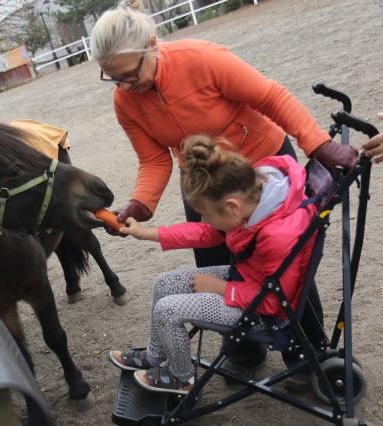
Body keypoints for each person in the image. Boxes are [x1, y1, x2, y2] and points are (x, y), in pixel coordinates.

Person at [90, 1, 353, 367]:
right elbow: (153, 159)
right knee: (213, 257)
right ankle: (244, 347)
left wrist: (319, 144)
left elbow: (271, 97)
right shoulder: (125, 101)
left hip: (257, 166)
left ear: (151, 45)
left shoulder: (202, 59)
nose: (124, 86)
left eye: (129, 75)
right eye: (113, 78)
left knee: (281, 261)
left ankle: (305, 354)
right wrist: (140, 204)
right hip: (204, 181)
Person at [107, 135, 317, 394]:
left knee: (167, 310)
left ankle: (181, 379)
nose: (204, 219)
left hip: (262, 312)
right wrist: (145, 233)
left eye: (206, 214)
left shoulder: (276, 236)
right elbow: (206, 232)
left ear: (231, 207)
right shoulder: (252, 200)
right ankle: (154, 355)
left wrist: (221, 288)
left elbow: (274, 301)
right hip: (247, 281)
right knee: (164, 283)